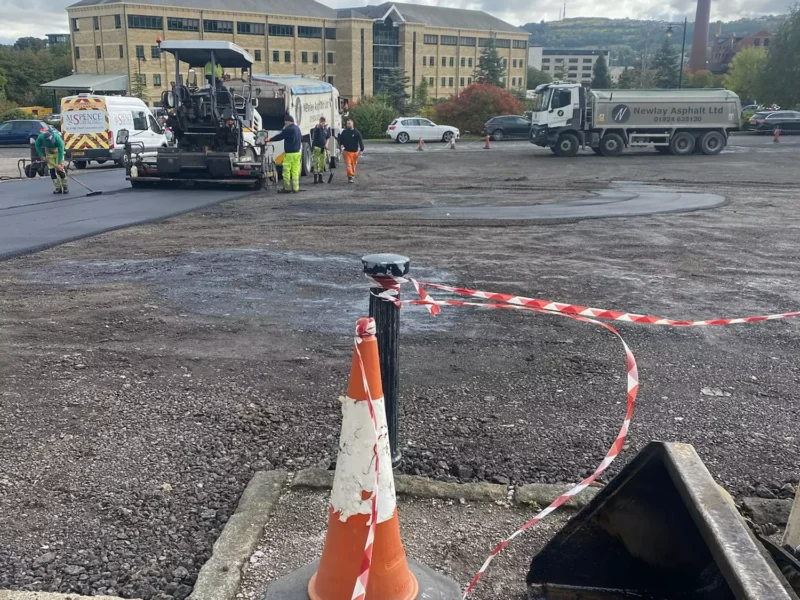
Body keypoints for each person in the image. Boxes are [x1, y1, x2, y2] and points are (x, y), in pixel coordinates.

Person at [267, 115, 303, 193]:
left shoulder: (289, 130)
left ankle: (287, 188)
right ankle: (295, 188)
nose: (284, 123)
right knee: (295, 171)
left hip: (289, 154)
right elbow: (301, 138)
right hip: (297, 153)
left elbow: (280, 136)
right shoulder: (297, 129)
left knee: (286, 171)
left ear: (289, 121)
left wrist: (269, 139)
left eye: (285, 121)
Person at [35, 127, 68, 195]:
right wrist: (41, 155)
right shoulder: (41, 137)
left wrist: (59, 163)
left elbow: (61, 152)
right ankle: (58, 188)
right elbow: (37, 145)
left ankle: (65, 187)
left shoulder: (58, 139)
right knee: (52, 171)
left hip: (58, 153)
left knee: (60, 171)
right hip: (49, 152)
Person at [339, 118, 364, 184]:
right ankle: (350, 177)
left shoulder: (356, 132)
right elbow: (341, 140)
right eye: (347, 123)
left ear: (352, 124)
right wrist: (341, 145)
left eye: (349, 123)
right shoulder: (344, 132)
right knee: (348, 164)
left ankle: (352, 175)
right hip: (346, 151)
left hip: (355, 152)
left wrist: (362, 149)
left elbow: (360, 141)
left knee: (353, 165)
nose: (348, 125)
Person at [311, 116, 331, 184]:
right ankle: (315, 178)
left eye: (324, 121)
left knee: (322, 163)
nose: (323, 122)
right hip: (316, 147)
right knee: (316, 162)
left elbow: (328, 137)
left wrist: (326, 144)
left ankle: (320, 177)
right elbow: (317, 127)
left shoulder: (326, 129)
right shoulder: (317, 128)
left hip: (323, 148)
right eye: (321, 121)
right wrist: (320, 124)